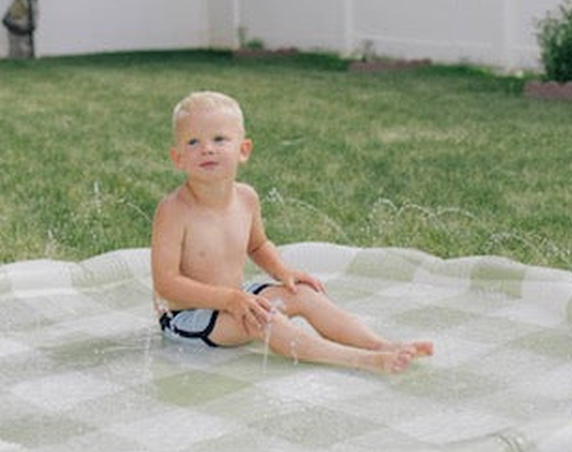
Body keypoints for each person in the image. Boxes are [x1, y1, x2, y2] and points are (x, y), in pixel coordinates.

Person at [151, 90, 433, 374]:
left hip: (235, 298)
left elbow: (258, 245)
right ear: (178, 158)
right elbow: (166, 283)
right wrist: (228, 300)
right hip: (188, 316)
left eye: (219, 139)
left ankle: (379, 346)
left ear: (243, 150)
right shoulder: (174, 210)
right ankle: (363, 361)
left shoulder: (247, 198)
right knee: (264, 319)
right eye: (193, 142)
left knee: (304, 295)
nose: (207, 149)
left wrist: (282, 272)